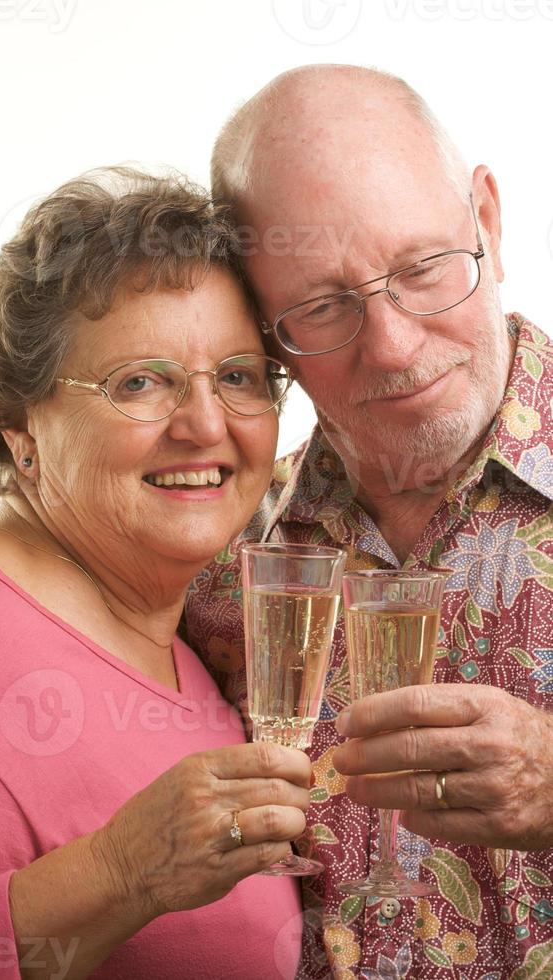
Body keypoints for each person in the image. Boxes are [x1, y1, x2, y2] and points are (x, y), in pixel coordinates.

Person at [185, 65, 553, 978]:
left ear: (488, 219)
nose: (392, 345)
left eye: (423, 266)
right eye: (321, 307)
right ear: (265, 334)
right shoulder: (215, 552)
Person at [0, 166, 312, 980]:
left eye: (237, 376)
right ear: (20, 429)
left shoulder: (189, 620)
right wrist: (120, 873)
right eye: (140, 383)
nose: (204, 424)